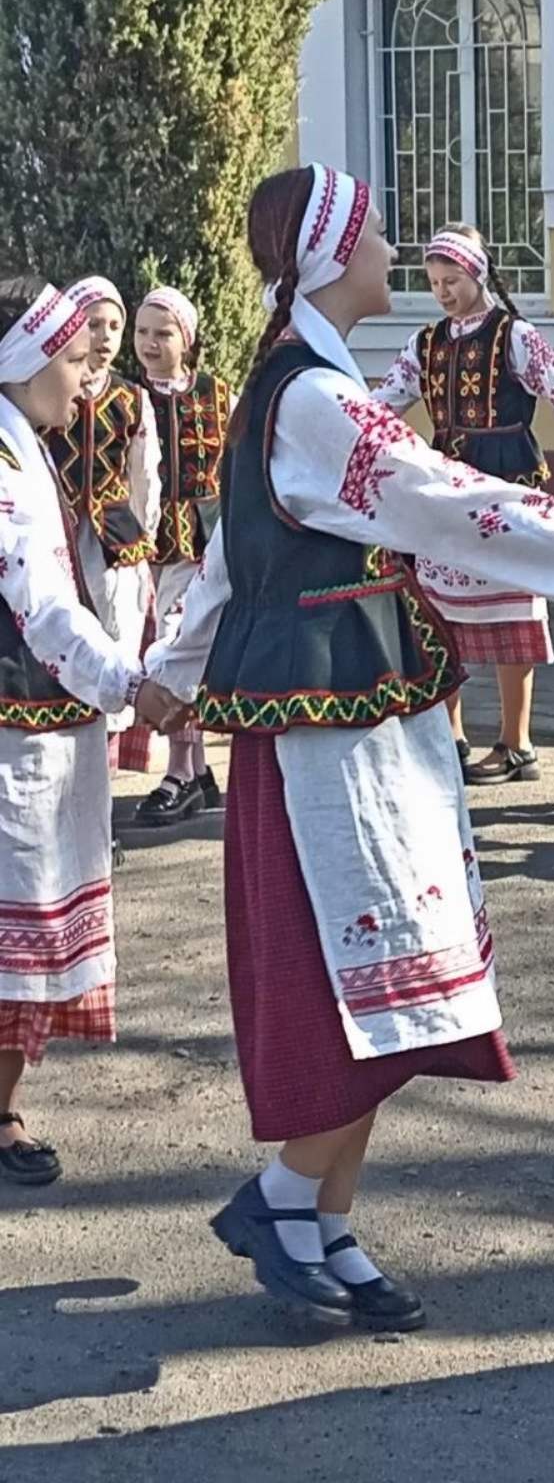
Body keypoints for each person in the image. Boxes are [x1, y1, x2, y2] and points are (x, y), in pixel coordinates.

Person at [146, 164, 554, 1329]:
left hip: (361, 703)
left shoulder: (306, 379)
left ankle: (321, 1218)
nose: (394, 249)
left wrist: (172, 674)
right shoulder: (315, 399)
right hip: (323, 724)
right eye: (379, 231)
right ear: (334, 253)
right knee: (360, 971)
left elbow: (236, 554)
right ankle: (283, 1200)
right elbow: (454, 502)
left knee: (399, 968)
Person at [0, 276, 181, 1187]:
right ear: (26, 362)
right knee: (16, 930)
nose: (86, 377)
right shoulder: (4, 465)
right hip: (16, 726)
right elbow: (40, 604)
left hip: (40, 716)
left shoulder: (20, 443)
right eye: (73, 359)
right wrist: (129, 684)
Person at [376, 223, 554, 785]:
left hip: (506, 484)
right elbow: (380, 405)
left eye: (451, 280)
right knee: (437, 614)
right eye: (433, 282)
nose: (442, 292)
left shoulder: (514, 337)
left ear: (477, 273)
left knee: (512, 606)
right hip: (447, 492)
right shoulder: (424, 345)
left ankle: (516, 743)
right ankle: (450, 738)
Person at [49, 277, 161, 788]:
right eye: (95, 324)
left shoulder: (132, 398)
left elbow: (145, 474)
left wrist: (143, 537)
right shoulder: (51, 391)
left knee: (114, 646)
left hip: (115, 544)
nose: (106, 336)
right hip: (60, 537)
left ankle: (104, 793)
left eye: (115, 325)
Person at [133, 286, 232, 826]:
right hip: (146, 543)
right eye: (143, 332)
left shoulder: (218, 395)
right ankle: (194, 769)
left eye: (163, 333)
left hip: (201, 544)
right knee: (164, 647)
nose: (150, 343)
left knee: (184, 645)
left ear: (186, 340)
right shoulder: (129, 398)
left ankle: (181, 772)